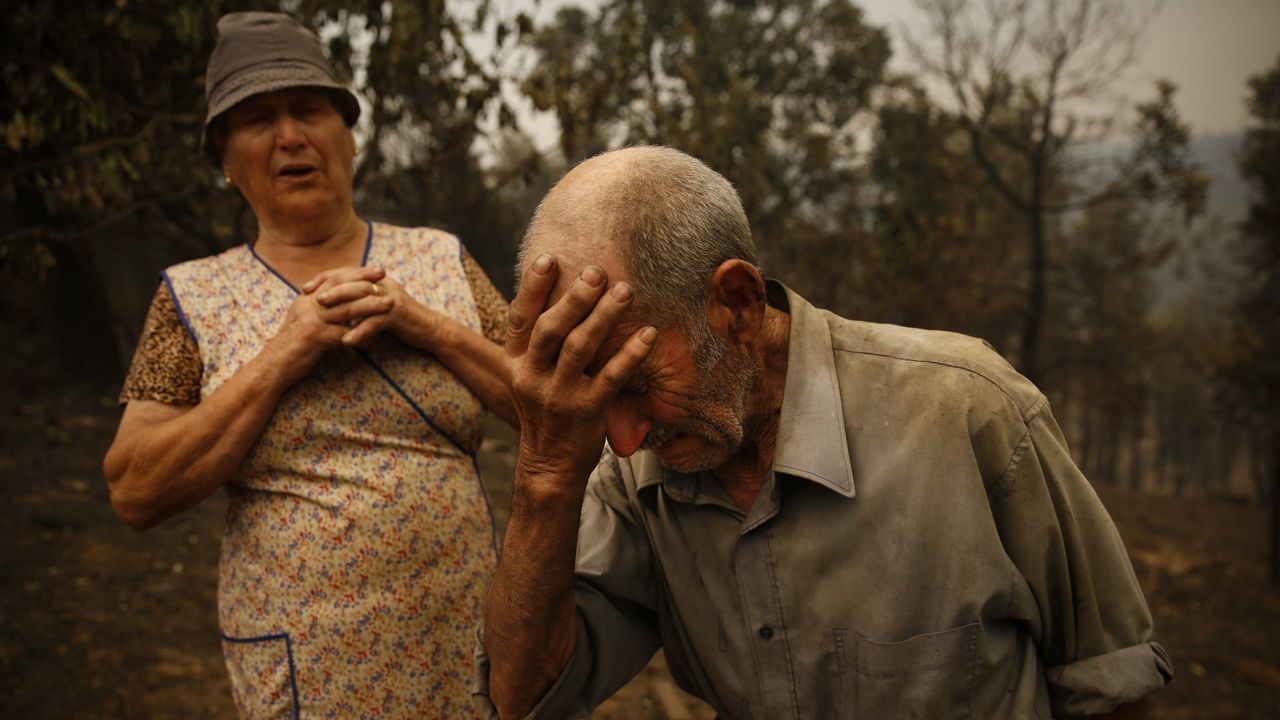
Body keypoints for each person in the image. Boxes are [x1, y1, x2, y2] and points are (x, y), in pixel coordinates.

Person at [476, 146, 1172, 719]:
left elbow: (1111, 685)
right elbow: (525, 697)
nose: (622, 441)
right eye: (596, 399)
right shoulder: (633, 481)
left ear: (739, 304)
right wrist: (546, 472)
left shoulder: (966, 409)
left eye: (636, 384)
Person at [103, 12, 511, 718]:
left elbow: (544, 399)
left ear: (348, 136)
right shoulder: (192, 296)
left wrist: (425, 324)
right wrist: (281, 356)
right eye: (257, 120)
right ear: (226, 163)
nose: (290, 135)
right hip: (308, 663)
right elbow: (135, 489)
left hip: (468, 644)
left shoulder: (440, 258)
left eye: (309, 110)